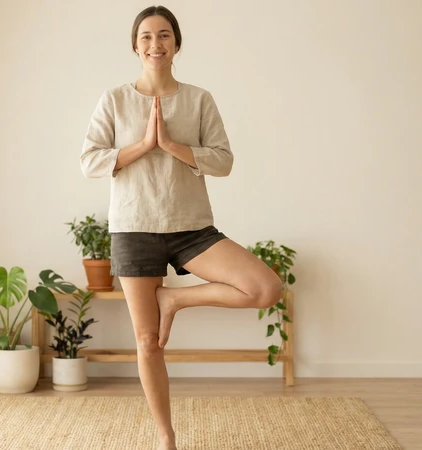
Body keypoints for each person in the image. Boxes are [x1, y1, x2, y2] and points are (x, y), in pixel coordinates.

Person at [79, 5, 282, 450]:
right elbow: (90, 159)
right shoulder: (114, 99)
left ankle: (174, 299)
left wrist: (171, 145)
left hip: (192, 227)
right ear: (135, 45)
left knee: (265, 288)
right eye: (147, 36)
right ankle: (166, 438)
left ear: (177, 44)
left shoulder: (198, 99)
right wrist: (143, 146)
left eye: (165, 35)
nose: (156, 44)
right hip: (134, 227)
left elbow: (223, 161)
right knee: (148, 342)